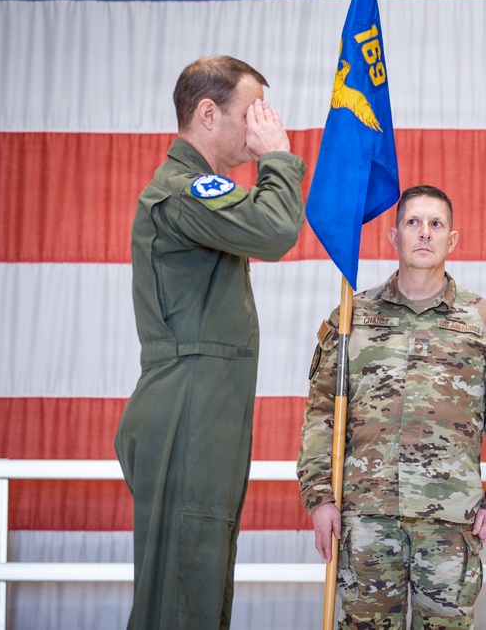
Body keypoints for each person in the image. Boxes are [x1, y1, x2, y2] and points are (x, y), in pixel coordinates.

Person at [114, 55, 306, 629]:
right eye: (250, 112)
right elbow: (274, 230)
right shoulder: (183, 188)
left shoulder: (198, 190)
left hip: (203, 406)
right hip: (187, 409)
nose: (259, 125)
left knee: (197, 581)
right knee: (181, 592)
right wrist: (276, 157)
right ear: (207, 113)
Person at [298, 185, 486, 629]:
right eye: (413, 223)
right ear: (394, 237)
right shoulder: (352, 317)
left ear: (452, 239)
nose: (424, 233)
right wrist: (319, 498)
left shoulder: (481, 320)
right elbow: (321, 416)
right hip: (367, 520)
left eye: (435, 224)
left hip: (449, 523)